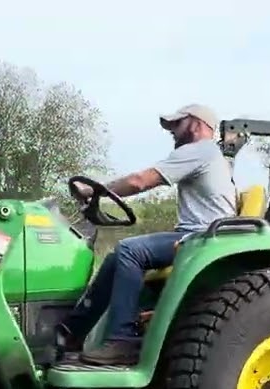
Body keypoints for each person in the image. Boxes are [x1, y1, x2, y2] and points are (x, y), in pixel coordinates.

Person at [56, 103, 237, 366]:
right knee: (117, 256)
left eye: (177, 124)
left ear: (197, 124)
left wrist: (94, 191)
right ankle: (71, 333)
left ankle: (121, 340)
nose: (172, 131)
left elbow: (141, 181)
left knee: (130, 251)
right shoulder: (209, 155)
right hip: (197, 234)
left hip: (202, 237)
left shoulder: (201, 151)